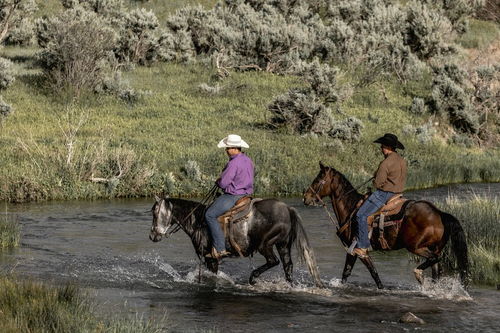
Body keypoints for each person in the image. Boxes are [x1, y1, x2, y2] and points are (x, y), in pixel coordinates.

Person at [353, 133, 407, 258]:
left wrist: (375, 180)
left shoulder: (385, 163)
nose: (381, 149)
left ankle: (362, 246)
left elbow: (378, 184)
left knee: (360, 215)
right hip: (398, 193)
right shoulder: (402, 161)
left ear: (387, 147)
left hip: (384, 194)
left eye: (382, 146)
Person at [205, 134, 254, 259]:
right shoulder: (248, 160)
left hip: (234, 195)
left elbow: (224, 183)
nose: (226, 151)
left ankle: (220, 248)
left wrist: (219, 182)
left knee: (209, 215)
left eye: (227, 148)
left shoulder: (233, 163)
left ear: (234, 148)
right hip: (247, 194)